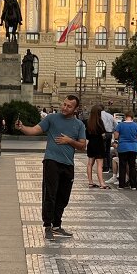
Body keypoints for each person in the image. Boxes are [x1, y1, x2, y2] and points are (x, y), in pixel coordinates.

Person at [16, 94, 87, 241]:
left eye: (69, 106)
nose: (65, 107)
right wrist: (22, 127)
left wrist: (69, 141)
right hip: (51, 161)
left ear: (75, 109)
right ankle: (47, 226)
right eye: (64, 104)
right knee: (50, 194)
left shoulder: (79, 125)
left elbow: (82, 146)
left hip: (68, 164)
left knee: (63, 196)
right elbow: (34, 130)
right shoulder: (52, 118)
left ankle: (57, 225)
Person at [114, 113, 137, 190]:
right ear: (132, 117)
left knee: (122, 166)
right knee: (132, 166)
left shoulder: (120, 125)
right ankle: (133, 185)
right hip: (133, 147)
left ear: (125, 117)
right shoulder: (136, 126)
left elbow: (116, 136)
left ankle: (121, 185)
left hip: (123, 147)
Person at [100, 107, 118, 184]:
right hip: (109, 134)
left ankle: (104, 167)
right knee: (107, 150)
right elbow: (116, 124)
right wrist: (112, 130)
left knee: (102, 150)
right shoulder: (110, 116)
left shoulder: (100, 114)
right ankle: (107, 168)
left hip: (103, 133)